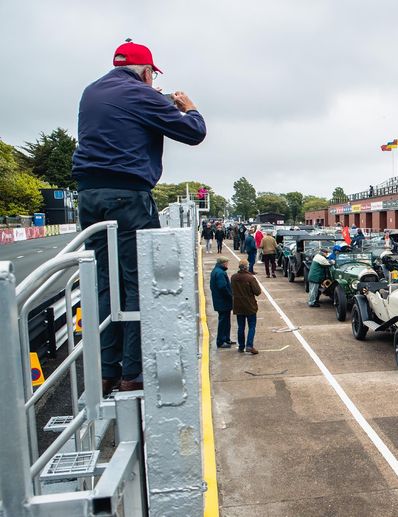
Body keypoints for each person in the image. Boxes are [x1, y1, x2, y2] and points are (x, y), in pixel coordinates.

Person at [71, 40, 206, 394]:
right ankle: (134, 374)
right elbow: (195, 133)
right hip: (127, 196)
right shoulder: (144, 95)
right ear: (146, 73)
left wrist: (150, 98)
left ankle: (104, 372)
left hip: (88, 195)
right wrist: (186, 107)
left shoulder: (91, 92)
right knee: (138, 282)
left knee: (104, 280)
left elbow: (119, 117)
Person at [231, 259, 261, 354]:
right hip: (249, 305)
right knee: (251, 326)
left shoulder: (233, 277)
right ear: (246, 267)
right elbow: (257, 292)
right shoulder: (250, 278)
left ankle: (241, 346)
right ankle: (249, 345)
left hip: (238, 305)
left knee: (241, 326)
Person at [209, 257, 234, 348]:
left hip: (220, 300)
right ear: (223, 263)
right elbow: (222, 287)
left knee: (226, 320)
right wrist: (230, 296)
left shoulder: (216, 271)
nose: (227, 264)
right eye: (226, 263)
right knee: (223, 321)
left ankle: (226, 338)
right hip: (223, 301)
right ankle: (221, 341)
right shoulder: (220, 273)